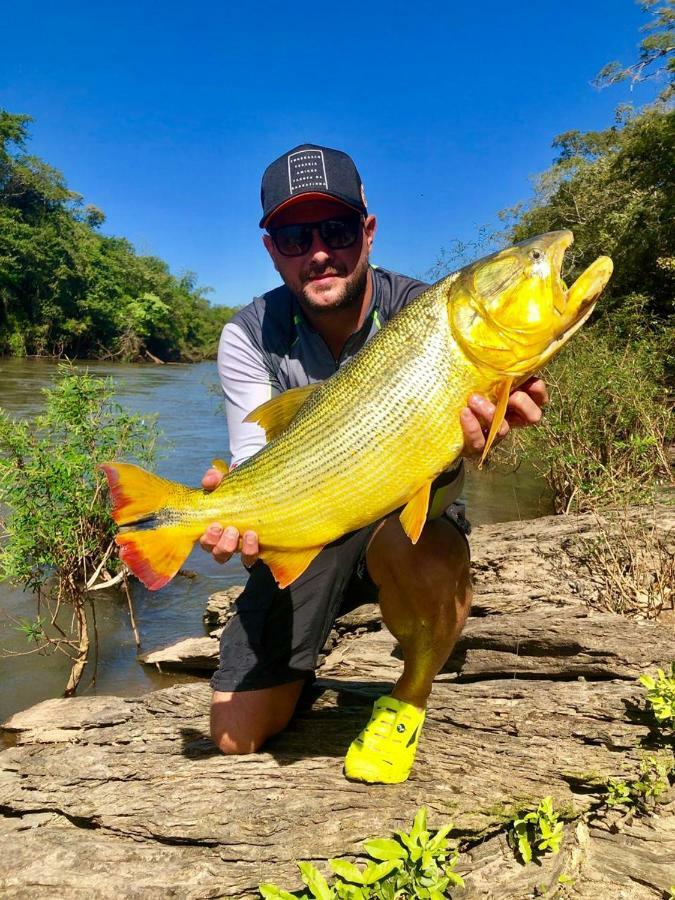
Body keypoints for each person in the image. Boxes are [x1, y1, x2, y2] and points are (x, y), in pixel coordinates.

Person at [201, 144, 547, 784]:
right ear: (271, 248)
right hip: (307, 520)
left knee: (433, 546)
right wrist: (240, 519)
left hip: (401, 521)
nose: (318, 252)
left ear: (367, 231)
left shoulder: (428, 313)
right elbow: (255, 464)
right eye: (293, 236)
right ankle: (306, 649)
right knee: (233, 735)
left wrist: (469, 448)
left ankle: (410, 696)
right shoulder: (247, 336)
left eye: (335, 230)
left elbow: (440, 492)